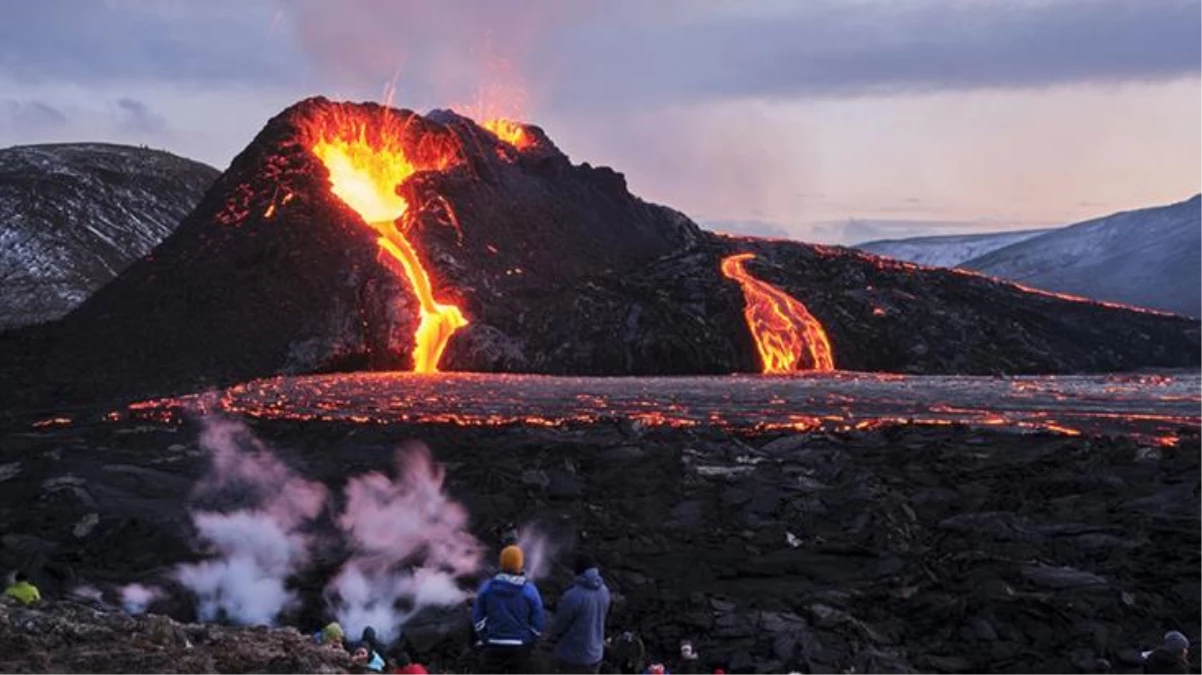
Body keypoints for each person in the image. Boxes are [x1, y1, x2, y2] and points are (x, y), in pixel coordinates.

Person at [473, 545, 545, 674]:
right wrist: (529, 638)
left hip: (493, 644)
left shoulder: (487, 588)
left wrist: (486, 636)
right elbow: (538, 621)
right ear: (520, 563)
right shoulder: (529, 590)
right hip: (520, 646)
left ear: (502, 562)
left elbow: (478, 619)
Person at [551, 553, 612, 674]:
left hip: (574, 657)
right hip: (596, 655)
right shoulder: (605, 591)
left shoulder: (573, 596)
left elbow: (559, 626)